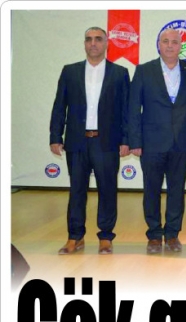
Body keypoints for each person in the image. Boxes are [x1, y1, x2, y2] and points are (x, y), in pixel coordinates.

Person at [50, 27, 130, 255]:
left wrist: (126, 139)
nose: (93, 43)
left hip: (107, 142)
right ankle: (75, 237)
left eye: (98, 39)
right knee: (77, 190)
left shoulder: (120, 73)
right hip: (77, 141)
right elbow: (59, 106)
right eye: (88, 39)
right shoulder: (70, 71)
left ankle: (105, 237)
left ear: (106, 44)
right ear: (84, 43)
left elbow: (126, 110)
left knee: (108, 189)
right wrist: (55, 136)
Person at [128, 28, 186, 254]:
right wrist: (135, 141)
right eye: (165, 41)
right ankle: (153, 234)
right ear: (159, 45)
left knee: (176, 190)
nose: (170, 45)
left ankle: (172, 234)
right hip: (151, 142)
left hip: (182, 142)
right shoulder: (144, 70)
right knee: (151, 190)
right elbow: (133, 108)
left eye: (174, 42)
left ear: (181, 46)